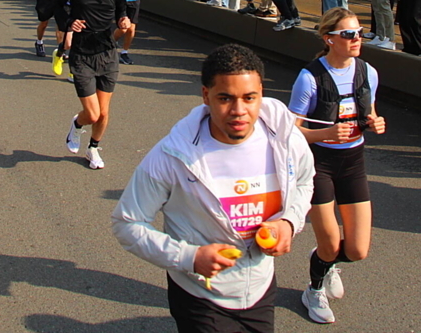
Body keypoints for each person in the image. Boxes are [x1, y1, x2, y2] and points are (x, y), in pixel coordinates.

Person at [112, 44, 313, 333]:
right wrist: (189, 258)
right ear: (205, 95)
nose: (239, 111)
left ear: (261, 93)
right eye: (225, 98)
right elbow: (126, 223)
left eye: (249, 98)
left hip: (260, 287)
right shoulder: (172, 156)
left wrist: (289, 222)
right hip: (199, 295)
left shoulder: (285, 139)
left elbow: (305, 181)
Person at [290, 8, 387, 323]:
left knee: (358, 250)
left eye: (359, 32)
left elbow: (368, 109)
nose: (357, 39)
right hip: (320, 164)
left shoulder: (368, 71)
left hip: (353, 161)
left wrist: (374, 121)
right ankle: (314, 289)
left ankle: (324, 260)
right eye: (348, 34)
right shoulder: (310, 78)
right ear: (328, 39)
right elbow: (290, 132)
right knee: (330, 245)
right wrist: (326, 133)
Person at [60, 0, 131, 169]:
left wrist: (123, 20)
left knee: (103, 112)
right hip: (82, 53)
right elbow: (59, 9)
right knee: (92, 114)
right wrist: (71, 22)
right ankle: (77, 124)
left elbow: (122, 10)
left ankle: (93, 149)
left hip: (107, 51)